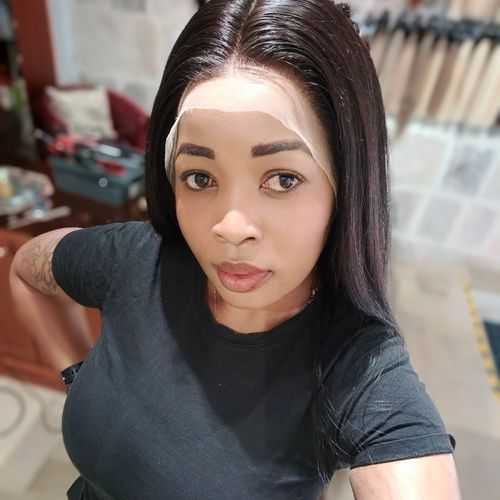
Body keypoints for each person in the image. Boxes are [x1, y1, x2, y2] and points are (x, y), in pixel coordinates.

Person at [9, 1, 462, 499]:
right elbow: (26, 270)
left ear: (347, 186)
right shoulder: (135, 259)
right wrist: (76, 374)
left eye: (282, 179)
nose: (230, 227)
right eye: (200, 178)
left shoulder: (356, 371)